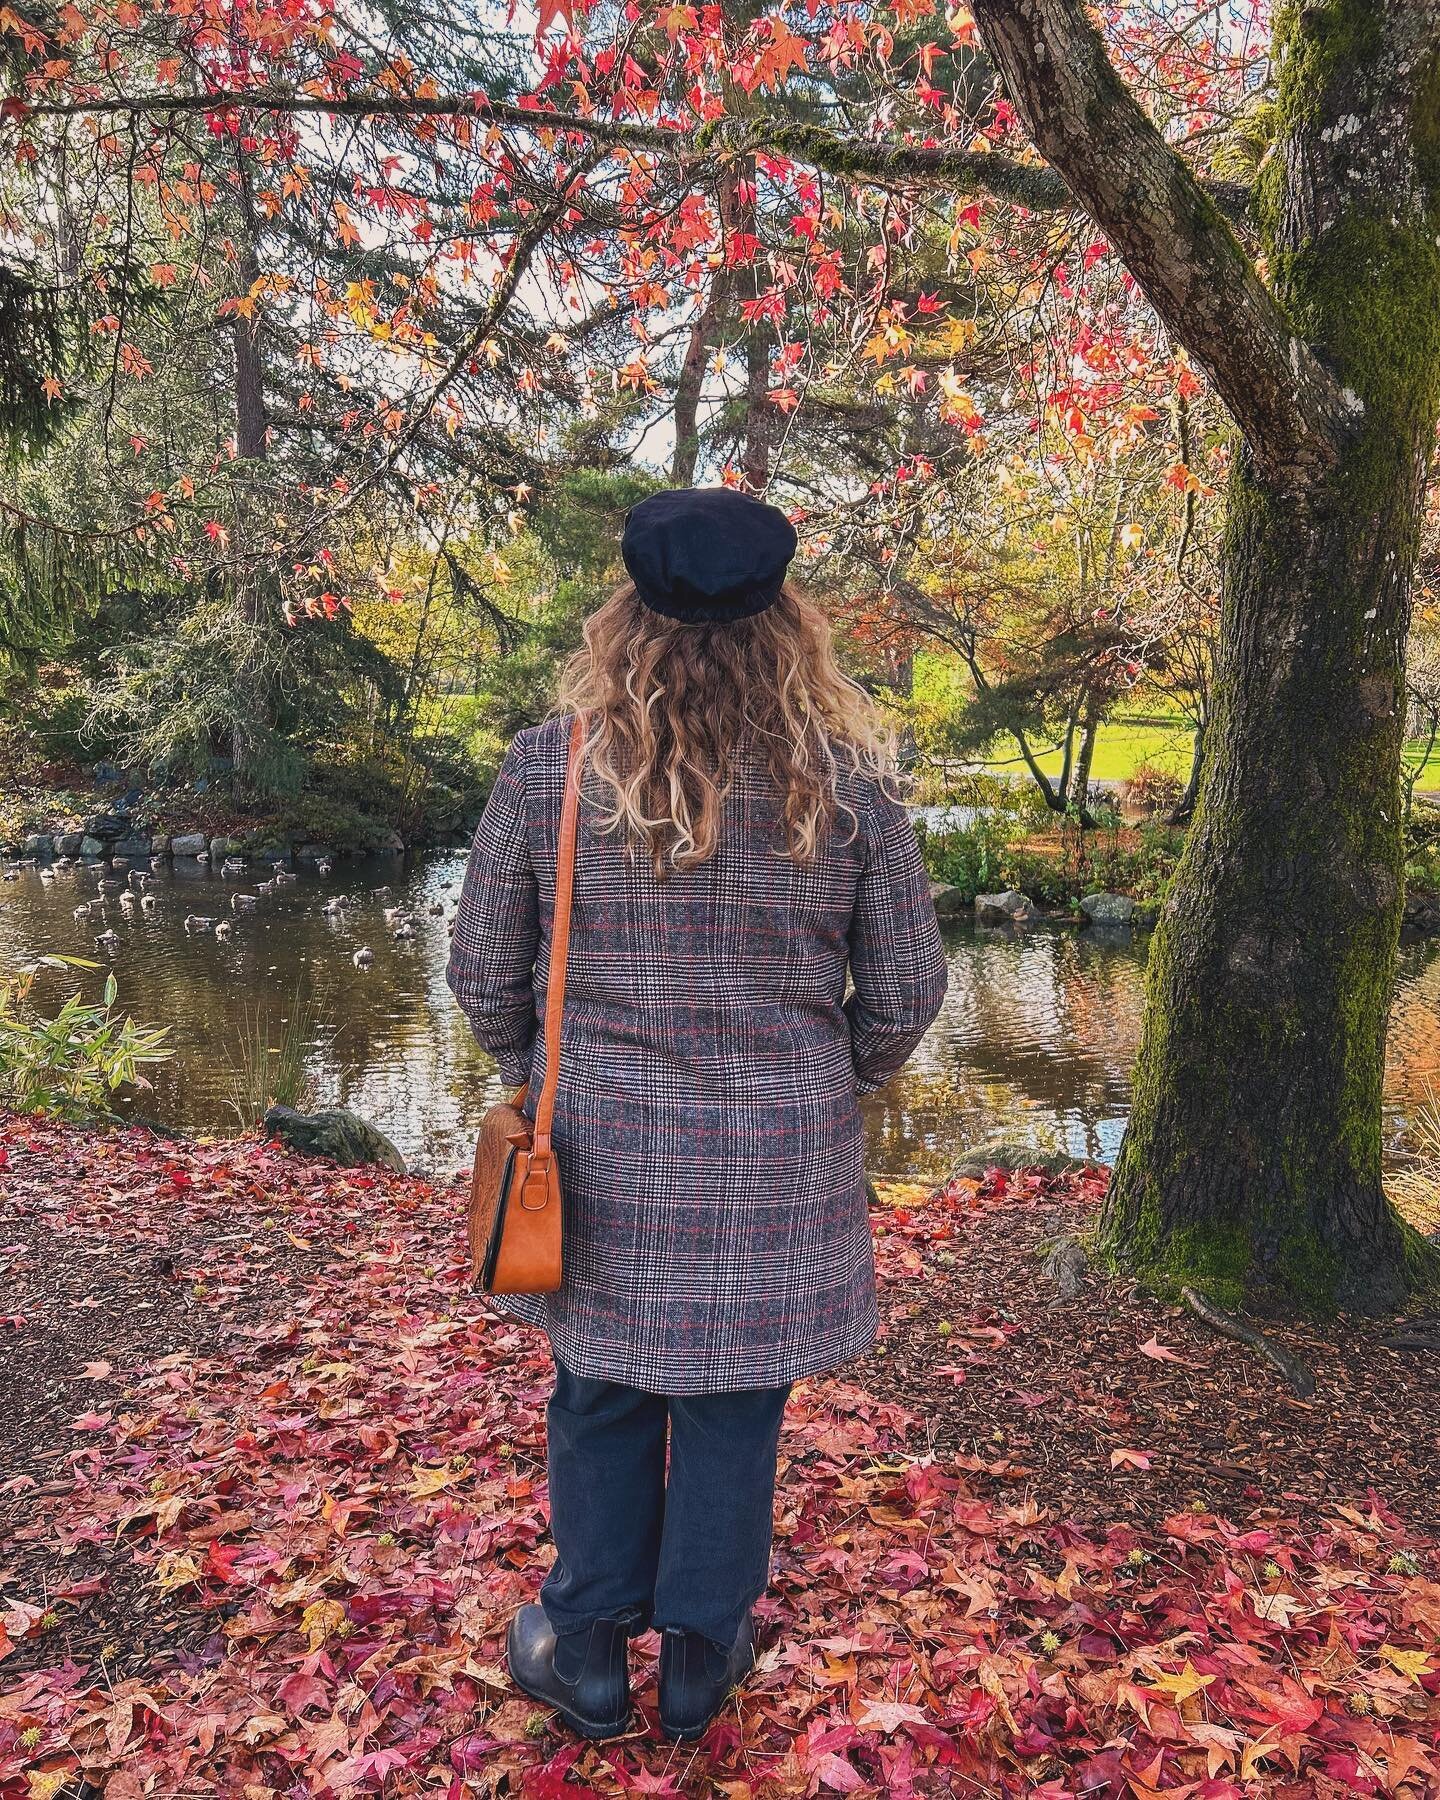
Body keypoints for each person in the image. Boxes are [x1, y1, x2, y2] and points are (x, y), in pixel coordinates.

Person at [446, 486, 947, 1743]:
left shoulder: (553, 769)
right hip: (778, 1162)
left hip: (600, 1148)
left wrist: (536, 1067)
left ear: (626, 616)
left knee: (601, 1394)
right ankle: (701, 1664)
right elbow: (907, 987)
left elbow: (481, 966)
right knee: (735, 1406)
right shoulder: (844, 784)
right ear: (788, 622)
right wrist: (839, 1081)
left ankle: (591, 1656)